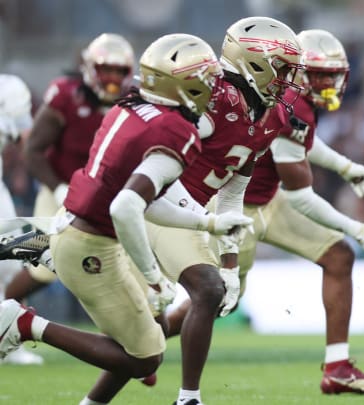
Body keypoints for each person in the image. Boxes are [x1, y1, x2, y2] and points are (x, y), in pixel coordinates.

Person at [0, 33, 251, 405]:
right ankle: (23, 323)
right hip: (93, 243)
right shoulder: (176, 130)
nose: (213, 88)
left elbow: (150, 198)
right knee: (145, 358)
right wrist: (153, 277)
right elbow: (127, 206)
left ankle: (33, 241)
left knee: (149, 337)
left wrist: (207, 224)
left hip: (79, 227)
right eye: (205, 79)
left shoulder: (130, 106)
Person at [129, 16, 305, 405]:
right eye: (283, 69)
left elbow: (232, 193)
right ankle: (189, 398)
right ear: (254, 62)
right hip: (157, 207)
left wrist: (230, 264)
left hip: (191, 213)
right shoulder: (212, 97)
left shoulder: (271, 115)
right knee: (201, 295)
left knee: (140, 346)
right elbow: (150, 150)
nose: (289, 81)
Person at [5, 33, 135, 306]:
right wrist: (58, 188)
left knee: (129, 268)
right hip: (60, 192)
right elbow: (33, 151)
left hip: (111, 198)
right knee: (42, 265)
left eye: (118, 70)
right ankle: (6, 313)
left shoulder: (135, 103)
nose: (111, 78)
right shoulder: (66, 96)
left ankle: (138, 333)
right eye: (105, 69)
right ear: (90, 68)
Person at [0, 74, 45, 365]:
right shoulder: (10, 88)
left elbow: (27, 138)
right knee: (30, 250)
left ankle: (11, 336)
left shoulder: (9, 88)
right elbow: (29, 140)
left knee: (25, 253)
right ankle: (10, 338)